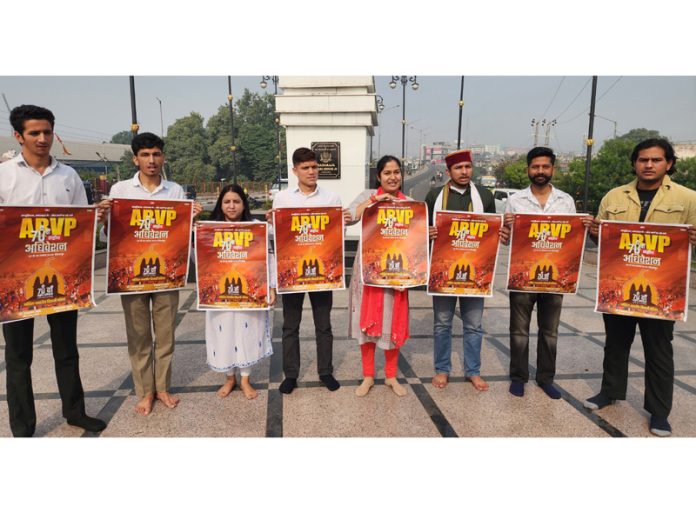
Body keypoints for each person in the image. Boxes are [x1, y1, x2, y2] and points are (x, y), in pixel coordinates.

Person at [0, 104, 106, 436]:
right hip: (17, 280)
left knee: (67, 351)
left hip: (62, 276)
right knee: (18, 358)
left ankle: (75, 412)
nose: (42, 138)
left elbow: (79, 225)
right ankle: (22, 425)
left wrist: (95, 218)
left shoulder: (69, 176)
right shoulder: (4, 176)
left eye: (47, 132)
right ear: (19, 136)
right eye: (34, 133)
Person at [584, 138, 696, 437]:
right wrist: (596, 233)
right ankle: (610, 392)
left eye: (655, 160)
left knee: (659, 350)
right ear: (634, 163)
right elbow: (603, 241)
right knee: (616, 344)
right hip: (620, 287)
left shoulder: (688, 199)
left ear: (668, 163)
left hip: (661, 292)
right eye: (643, 160)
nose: (648, 165)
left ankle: (659, 412)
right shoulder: (615, 196)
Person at [98, 132, 202, 415]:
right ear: (135, 159)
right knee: (139, 335)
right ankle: (144, 392)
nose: (151, 160)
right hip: (131, 278)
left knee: (166, 334)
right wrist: (106, 220)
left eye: (156, 154)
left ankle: (162, 387)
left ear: (163, 157)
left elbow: (180, 236)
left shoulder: (175, 191)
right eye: (145, 155)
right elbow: (109, 238)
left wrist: (191, 220)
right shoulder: (120, 191)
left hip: (166, 274)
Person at [503, 147, 593, 399]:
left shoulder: (565, 200)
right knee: (519, 331)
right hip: (522, 277)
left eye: (545, 167)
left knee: (549, 331)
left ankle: (546, 378)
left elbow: (572, 240)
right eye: (535, 167)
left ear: (553, 169)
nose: (540, 171)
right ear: (528, 170)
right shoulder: (515, 200)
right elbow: (507, 241)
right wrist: (505, 231)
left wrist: (584, 228)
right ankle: (518, 377)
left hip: (555, 279)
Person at [425, 149, 507, 391]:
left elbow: (492, 229)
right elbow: (422, 230)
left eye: (468, 167)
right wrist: (427, 233)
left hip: (475, 271)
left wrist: (500, 233)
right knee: (442, 323)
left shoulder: (484, 195)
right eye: (458, 168)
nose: (464, 172)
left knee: (473, 324)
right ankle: (442, 369)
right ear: (449, 171)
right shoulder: (435, 196)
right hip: (443, 270)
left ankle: (473, 370)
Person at [267, 147, 341, 394]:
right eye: (305, 168)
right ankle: (291, 375)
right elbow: (277, 238)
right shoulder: (283, 199)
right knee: (290, 326)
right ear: (294, 170)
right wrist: (270, 225)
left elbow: (335, 236)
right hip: (293, 272)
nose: (311, 172)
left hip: (321, 273)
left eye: (314, 167)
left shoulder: (331, 199)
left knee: (324, 325)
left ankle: (326, 371)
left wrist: (345, 219)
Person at [345, 155, 412, 397]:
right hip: (368, 272)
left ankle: (391, 376)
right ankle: (368, 376)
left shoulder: (410, 203)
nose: (393, 177)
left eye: (396, 172)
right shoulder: (367, 196)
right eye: (387, 173)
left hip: (397, 274)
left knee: (392, 322)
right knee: (367, 324)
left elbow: (417, 237)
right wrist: (374, 200)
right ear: (378, 176)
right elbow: (347, 217)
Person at [204, 184, 275, 400]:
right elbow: (201, 260)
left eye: (236, 201)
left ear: (244, 204)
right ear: (221, 205)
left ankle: (245, 378)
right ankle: (229, 377)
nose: (232, 206)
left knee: (246, 332)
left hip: (249, 293)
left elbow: (269, 257)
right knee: (223, 332)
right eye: (227, 202)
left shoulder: (256, 228)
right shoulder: (210, 228)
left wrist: (271, 287)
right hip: (221, 295)